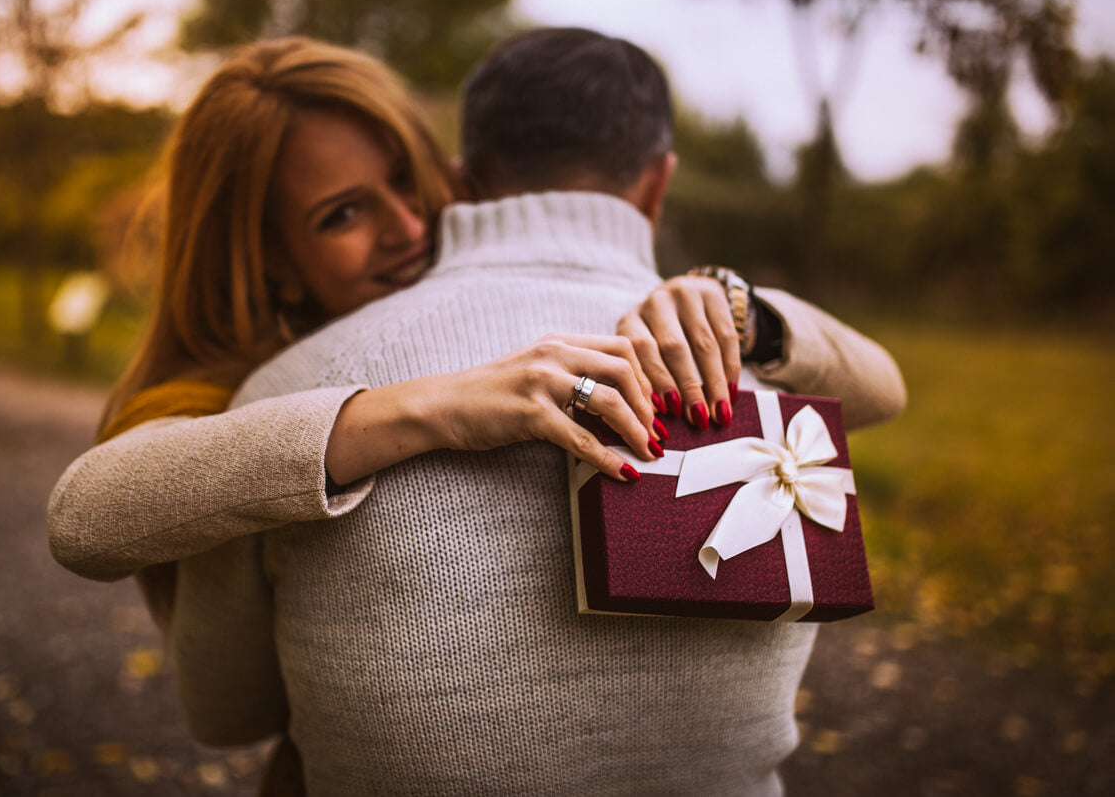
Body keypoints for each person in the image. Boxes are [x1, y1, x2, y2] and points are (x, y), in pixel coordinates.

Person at [165, 28, 905, 795]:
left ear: (463, 180)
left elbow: (225, 713)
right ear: (659, 184)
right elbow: (886, 388)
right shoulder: (767, 382)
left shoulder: (286, 397)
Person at [47, 36, 902, 620]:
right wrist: (413, 408)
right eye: (343, 214)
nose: (408, 226)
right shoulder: (229, 391)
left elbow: (881, 391)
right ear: (267, 257)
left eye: (406, 180)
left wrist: (731, 304)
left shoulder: (510, 309)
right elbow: (83, 519)